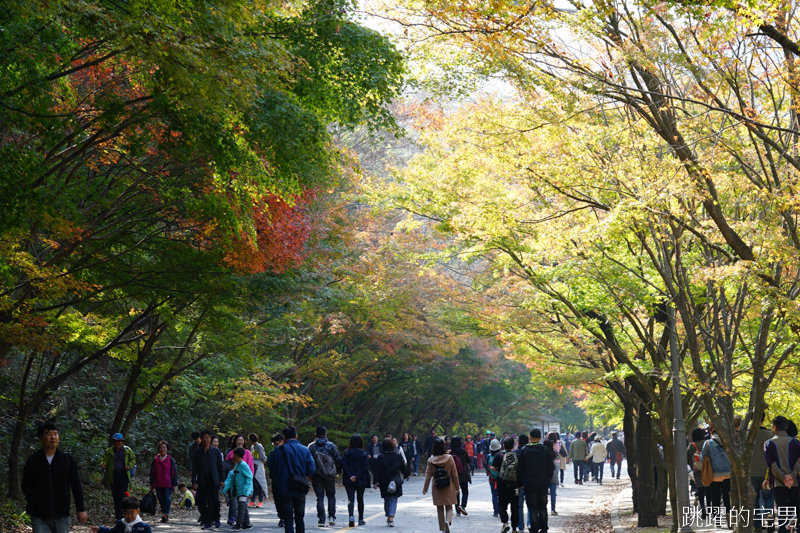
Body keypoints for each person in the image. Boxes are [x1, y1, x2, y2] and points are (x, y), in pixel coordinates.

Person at [22, 422, 87, 533]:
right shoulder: (33, 460)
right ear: (40, 438)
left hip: (61, 514)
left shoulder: (67, 459)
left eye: (55, 434)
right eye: (48, 434)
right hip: (39, 515)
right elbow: (26, 485)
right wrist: (34, 502)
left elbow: (76, 485)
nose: (53, 437)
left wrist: (80, 509)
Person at [267, 426, 316, 533]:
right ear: (296, 436)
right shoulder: (305, 450)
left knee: (288, 519)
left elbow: (273, 468)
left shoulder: (278, 451)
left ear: (284, 437)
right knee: (299, 518)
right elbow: (311, 469)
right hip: (300, 487)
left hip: (284, 487)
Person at [765, 416, 800, 533]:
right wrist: (792, 477)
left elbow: (771, 464)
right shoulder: (796, 442)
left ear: (774, 427)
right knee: (793, 510)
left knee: (782, 510)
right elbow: (799, 461)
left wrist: (783, 477)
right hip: (794, 483)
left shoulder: (768, 443)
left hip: (778, 483)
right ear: (785, 427)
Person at [517, 428, 555, 533]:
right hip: (543, 483)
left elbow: (520, 468)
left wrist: (520, 483)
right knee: (543, 507)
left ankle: (534, 529)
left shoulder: (524, 450)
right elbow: (550, 467)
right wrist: (548, 480)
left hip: (529, 484)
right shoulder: (545, 450)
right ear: (540, 438)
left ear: (530, 438)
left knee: (533, 508)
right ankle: (543, 528)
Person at [308, 426, 342, 527]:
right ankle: (331, 517)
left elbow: (308, 461)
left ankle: (321, 520)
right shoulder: (331, 445)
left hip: (316, 475)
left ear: (315, 435)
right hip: (330, 475)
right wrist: (338, 471)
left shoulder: (311, 446)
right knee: (331, 496)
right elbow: (338, 459)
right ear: (325, 434)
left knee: (320, 497)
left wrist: (309, 474)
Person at [423, 437, 459, 533]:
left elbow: (428, 475)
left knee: (439, 508)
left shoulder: (430, 460)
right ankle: (448, 521)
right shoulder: (449, 458)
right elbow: (454, 474)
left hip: (437, 487)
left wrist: (425, 488)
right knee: (449, 506)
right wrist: (457, 487)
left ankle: (442, 529)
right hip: (449, 485)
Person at [192, 429, 226, 530]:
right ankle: (206, 521)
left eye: (207, 437)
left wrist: (222, 479)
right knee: (202, 501)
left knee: (215, 500)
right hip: (202, 479)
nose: (205, 440)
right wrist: (194, 480)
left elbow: (220, 466)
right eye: (203, 438)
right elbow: (195, 468)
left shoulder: (216, 451)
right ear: (201, 439)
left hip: (214, 479)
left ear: (210, 438)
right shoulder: (197, 452)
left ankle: (217, 519)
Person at [701, 426, 732, 528]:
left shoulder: (708, 443)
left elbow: (702, 458)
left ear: (711, 432)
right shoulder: (729, 442)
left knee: (715, 498)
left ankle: (717, 519)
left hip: (714, 475)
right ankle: (729, 516)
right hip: (728, 473)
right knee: (728, 497)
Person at [101, 433, 136, 520]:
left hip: (124, 475)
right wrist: (103, 463)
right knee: (115, 496)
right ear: (113, 442)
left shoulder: (127, 450)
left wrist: (129, 465)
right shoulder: (108, 451)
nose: (118, 443)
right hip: (113, 476)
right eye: (116, 442)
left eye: (119, 442)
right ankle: (118, 516)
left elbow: (133, 460)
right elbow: (104, 459)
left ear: (122, 442)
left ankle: (124, 514)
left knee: (122, 495)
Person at [376, 438, 409, 527]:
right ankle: (390, 517)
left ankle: (389, 515)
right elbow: (402, 466)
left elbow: (377, 470)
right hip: (395, 480)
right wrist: (406, 474)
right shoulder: (397, 456)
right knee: (393, 498)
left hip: (384, 481)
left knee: (387, 498)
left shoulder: (381, 456)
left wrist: (375, 481)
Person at [750, 413, 774, 532]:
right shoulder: (770, 434)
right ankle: (769, 516)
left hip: (751, 472)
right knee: (768, 497)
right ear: (763, 420)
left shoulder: (747, 434)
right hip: (767, 472)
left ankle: (757, 525)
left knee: (754, 499)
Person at [491, 437, 520, 533]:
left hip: (502, 484)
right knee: (515, 507)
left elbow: (492, 467)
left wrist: (500, 471)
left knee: (502, 505)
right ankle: (515, 528)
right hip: (515, 485)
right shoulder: (517, 455)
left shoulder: (499, 455)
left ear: (503, 446)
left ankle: (505, 522)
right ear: (513, 445)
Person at [225, 435, 254, 526]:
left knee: (242, 506)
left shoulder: (246, 456)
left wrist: (249, 488)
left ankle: (242, 524)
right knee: (235, 505)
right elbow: (226, 465)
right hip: (235, 486)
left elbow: (250, 472)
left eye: (242, 440)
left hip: (243, 487)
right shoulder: (231, 453)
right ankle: (238, 521)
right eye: (238, 440)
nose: (240, 442)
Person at [342, 434, 370, 527]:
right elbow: (364, 467)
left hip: (348, 479)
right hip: (360, 480)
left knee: (351, 499)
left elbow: (344, 466)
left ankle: (351, 517)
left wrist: (351, 476)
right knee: (360, 499)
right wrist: (357, 476)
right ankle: (361, 519)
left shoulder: (347, 453)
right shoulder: (363, 453)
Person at [148, 440, 178, 523]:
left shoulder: (170, 460)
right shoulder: (155, 460)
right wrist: (151, 483)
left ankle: (165, 514)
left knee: (167, 499)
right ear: (158, 449)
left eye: (164, 447)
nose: (163, 449)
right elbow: (152, 472)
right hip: (158, 483)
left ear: (167, 449)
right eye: (161, 447)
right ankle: (164, 513)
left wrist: (174, 484)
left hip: (168, 484)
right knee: (161, 499)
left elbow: (174, 472)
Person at [687, 428, 708, 519]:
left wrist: (692, 465)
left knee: (700, 490)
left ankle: (703, 508)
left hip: (697, 470)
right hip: (708, 469)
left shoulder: (692, 446)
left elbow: (687, 458)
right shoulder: (707, 443)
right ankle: (710, 508)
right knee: (708, 488)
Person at [267, 433, 286, 528]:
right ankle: (282, 517)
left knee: (286, 499)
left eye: (276, 443)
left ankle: (287, 516)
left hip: (287, 480)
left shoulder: (287, 451)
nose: (275, 445)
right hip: (276, 480)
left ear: (282, 441)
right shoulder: (272, 452)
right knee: (278, 500)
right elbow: (269, 465)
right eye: (273, 444)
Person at [449, 436, 471, 515]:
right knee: (465, 491)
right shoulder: (463, 451)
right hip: (463, 473)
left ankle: (457, 510)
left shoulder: (450, 452)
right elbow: (468, 460)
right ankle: (463, 506)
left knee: (456, 491)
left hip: (453, 474)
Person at [249, 433, 269, 508]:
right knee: (253, 484)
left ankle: (260, 501)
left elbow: (263, 457)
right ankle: (252, 501)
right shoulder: (252, 447)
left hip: (258, 466)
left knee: (259, 484)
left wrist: (261, 465)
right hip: (253, 466)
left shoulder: (259, 446)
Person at [486, 438, 503, 517]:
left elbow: (487, 466)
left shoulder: (488, 456)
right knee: (500, 494)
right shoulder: (501, 455)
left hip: (492, 478)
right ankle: (501, 509)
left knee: (494, 494)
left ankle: (496, 511)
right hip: (500, 478)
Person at [543, 440, 559, 516]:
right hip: (553, 474)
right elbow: (558, 457)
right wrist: (555, 449)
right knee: (553, 493)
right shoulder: (553, 453)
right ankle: (553, 509)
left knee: (544, 493)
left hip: (544, 474)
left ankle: (543, 508)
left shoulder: (542, 453)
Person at [518, 434, 530, 531]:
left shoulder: (515, 452)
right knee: (531, 504)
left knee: (519, 506)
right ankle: (530, 523)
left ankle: (521, 527)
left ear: (518, 442)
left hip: (518, 484)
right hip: (530, 481)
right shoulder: (531, 452)